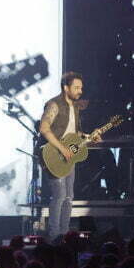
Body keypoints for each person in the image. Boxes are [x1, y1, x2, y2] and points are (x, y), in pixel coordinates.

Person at [40, 71, 95, 240]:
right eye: (76, 87)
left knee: (69, 197)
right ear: (66, 88)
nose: (80, 91)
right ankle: (54, 235)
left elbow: (74, 133)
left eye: (81, 87)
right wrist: (61, 148)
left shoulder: (75, 108)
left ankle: (64, 235)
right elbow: (44, 128)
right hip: (53, 155)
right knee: (59, 196)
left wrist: (88, 137)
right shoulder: (54, 105)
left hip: (69, 156)